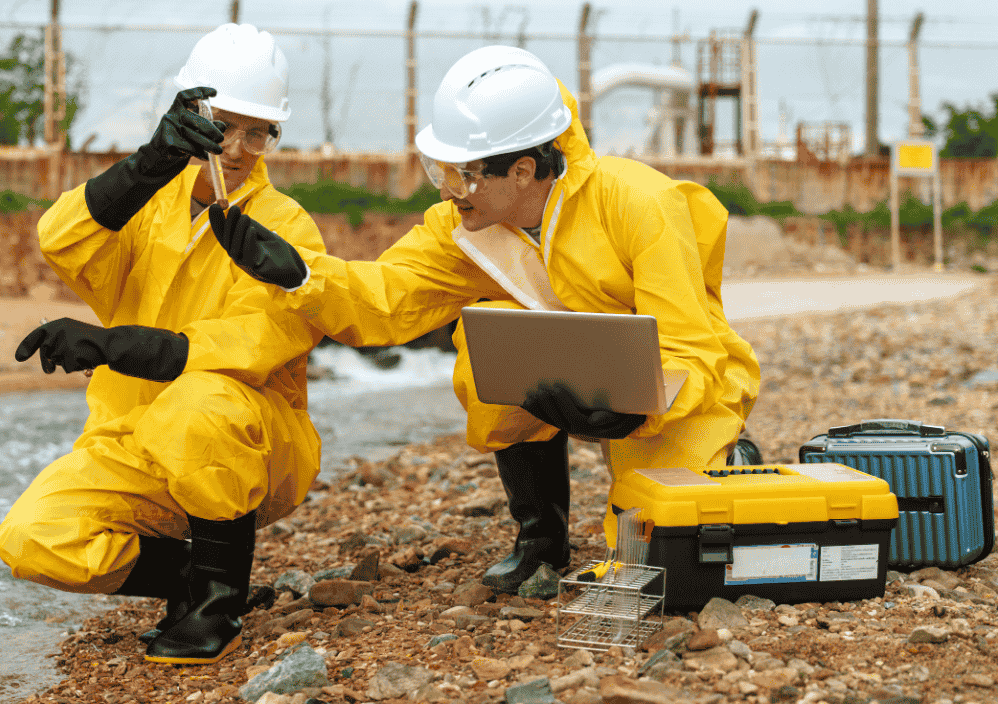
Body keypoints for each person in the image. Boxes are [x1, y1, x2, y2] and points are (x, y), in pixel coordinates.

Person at [207, 45, 761, 595]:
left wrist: (630, 415)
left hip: (672, 389)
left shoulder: (640, 203)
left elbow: (691, 350)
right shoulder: (465, 227)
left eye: (464, 174)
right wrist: (298, 274)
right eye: (441, 170)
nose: (450, 189)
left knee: (657, 556)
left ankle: (731, 454)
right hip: (579, 374)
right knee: (489, 346)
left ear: (522, 170)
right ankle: (541, 539)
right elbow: (387, 297)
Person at [0, 23, 326, 665]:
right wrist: (149, 163)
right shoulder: (147, 201)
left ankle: (217, 604)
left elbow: (247, 346)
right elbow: (60, 239)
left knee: (200, 400)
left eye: (257, 131)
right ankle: (191, 573)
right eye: (222, 124)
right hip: (134, 442)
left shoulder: (286, 226)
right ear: (189, 113)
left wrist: (111, 345)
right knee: (32, 538)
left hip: (253, 447)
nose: (237, 146)